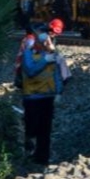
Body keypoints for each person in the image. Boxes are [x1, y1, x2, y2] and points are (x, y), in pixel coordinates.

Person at [17, 19, 69, 165]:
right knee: (32, 127)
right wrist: (45, 60)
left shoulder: (51, 53)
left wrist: (58, 92)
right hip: (32, 97)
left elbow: (58, 73)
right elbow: (30, 70)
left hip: (47, 96)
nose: (46, 39)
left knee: (45, 130)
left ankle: (42, 159)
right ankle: (30, 153)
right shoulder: (28, 52)